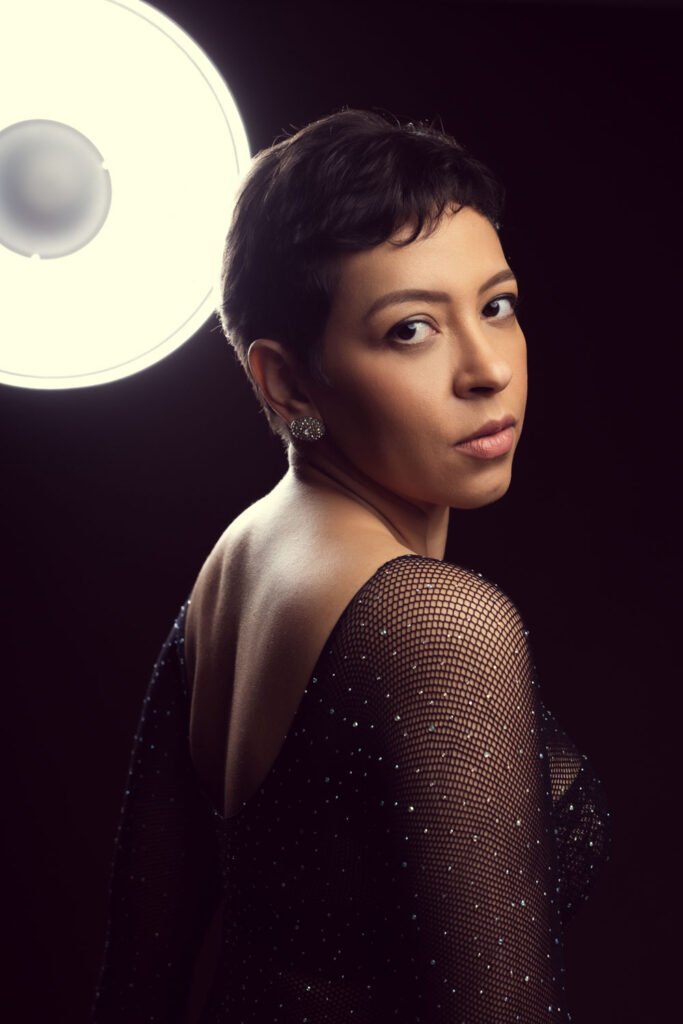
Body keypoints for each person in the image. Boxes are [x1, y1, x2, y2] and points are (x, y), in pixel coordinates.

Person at [92, 108, 611, 1023]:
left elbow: (138, 987)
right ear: (285, 381)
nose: (487, 369)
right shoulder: (437, 627)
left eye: (495, 306)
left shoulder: (241, 555)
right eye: (411, 329)